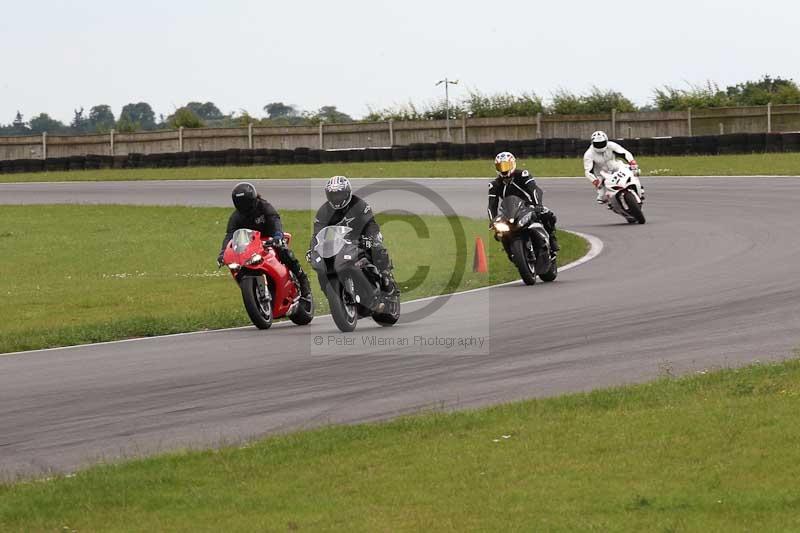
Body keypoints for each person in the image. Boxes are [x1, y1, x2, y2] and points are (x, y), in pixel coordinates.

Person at [308, 176, 396, 308]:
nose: (336, 198)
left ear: (347, 193)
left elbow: (370, 224)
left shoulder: (359, 204)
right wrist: (313, 249)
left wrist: (370, 238)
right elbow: (317, 235)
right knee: (322, 268)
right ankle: (336, 296)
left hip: (360, 238)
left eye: (339, 194)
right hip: (338, 244)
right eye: (333, 195)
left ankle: (385, 277)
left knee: (376, 248)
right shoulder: (323, 211)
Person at [217, 182, 311, 300]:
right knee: (237, 265)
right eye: (241, 203)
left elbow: (274, 219)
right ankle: (252, 293)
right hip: (250, 244)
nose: (244, 206)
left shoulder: (263, 206)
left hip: (270, 238)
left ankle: (302, 279)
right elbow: (230, 235)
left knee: (284, 252)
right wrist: (223, 252)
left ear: (252, 199)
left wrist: (277, 236)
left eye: (246, 202)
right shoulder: (236, 217)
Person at [487, 152, 559, 253]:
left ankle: (551, 238)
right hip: (509, 211)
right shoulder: (494, 184)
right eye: (500, 166)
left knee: (547, 214)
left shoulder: (522, 175)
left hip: (527, 206)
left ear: (513, 164)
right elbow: (492, 205)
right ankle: (511, 252)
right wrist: (492, 220)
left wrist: (538, 205)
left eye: (506, 166)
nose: (504, 169)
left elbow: (534, 189)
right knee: (500, 232)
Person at [583, 131, 641, 203]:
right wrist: (595, 181)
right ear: (592, 143)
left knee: (634, 170)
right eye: (597, 144)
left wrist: (632, 162)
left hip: (615, 167)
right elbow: (588, 171)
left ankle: (638, 188)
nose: (600, 145)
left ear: (606, 141)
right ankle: (612, 203)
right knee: (601, 198)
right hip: (601, 174)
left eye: (602, 143)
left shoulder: (611, 145)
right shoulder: (588, 154)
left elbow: (625, 153)